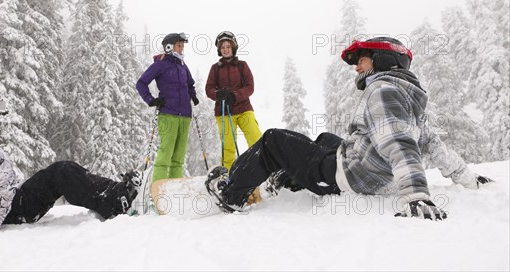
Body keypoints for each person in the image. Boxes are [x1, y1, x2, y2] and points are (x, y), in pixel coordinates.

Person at [206, 37, 493, 220]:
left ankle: (231, 194)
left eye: (361, 60)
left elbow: (399, 142)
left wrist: (416, 194)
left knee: (272, 140)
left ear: (382, 60)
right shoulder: (406, 95)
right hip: (372, 170)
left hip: (352, 178)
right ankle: (285, 180)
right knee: (325, 139)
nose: (356, 67)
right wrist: (468, 177)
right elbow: (431, 144)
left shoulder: (383, 91)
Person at [0, 97, 142, 245]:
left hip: (10, 205)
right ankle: (115, 200)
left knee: (65, 168)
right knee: (61, 171)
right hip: (8, 212)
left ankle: (116, 192)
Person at [136, 32, 198, 182]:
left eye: (182, 46)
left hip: (185, 115)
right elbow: (141, 83)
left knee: (178, 157)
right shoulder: (160, 64)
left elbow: (190, 84)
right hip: (168, 114)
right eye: (179, 45)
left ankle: (174, 188)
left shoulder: (183, 66)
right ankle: (158, 189)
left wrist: (193, 95)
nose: (182, 48)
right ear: (169, 46)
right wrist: (151, 100)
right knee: (166, 153)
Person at [205, 31, 262, 170]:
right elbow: (209, 89)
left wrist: (235, 96)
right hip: (224, 112)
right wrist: (219, 94)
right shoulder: (215, 68)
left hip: (244, 109)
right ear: (219, 50)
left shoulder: (242, 65)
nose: (225, 49)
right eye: (222, 47)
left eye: (228, 46)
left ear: (233, 47)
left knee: (256, 139)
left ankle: (258, 171)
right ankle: (228, 177)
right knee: (228, 147)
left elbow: (250, 87)